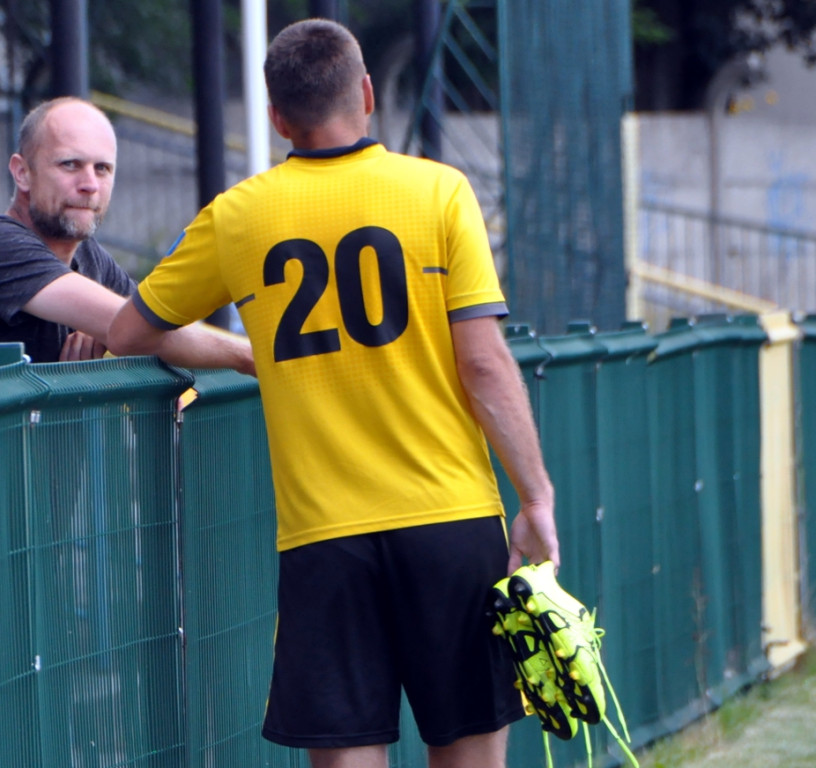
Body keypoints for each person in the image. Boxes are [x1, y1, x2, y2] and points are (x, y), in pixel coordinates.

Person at [107, 19, 558, 768]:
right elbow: (483, 365)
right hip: (449, 518)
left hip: (325, 535)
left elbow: (131, 331)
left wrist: (244, 355)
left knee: (346, 754)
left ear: (277, 117)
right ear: (369, 94)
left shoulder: (238, 216)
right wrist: (535, 496)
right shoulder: (438, 192)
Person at [0, 96, 252, 382]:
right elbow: (137, 327)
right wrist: (251, 358)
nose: (90, 184)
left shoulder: (92, 259)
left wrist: (114, 332)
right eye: (70, 165)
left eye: (103, 169)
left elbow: (156, 327)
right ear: (22, 172)